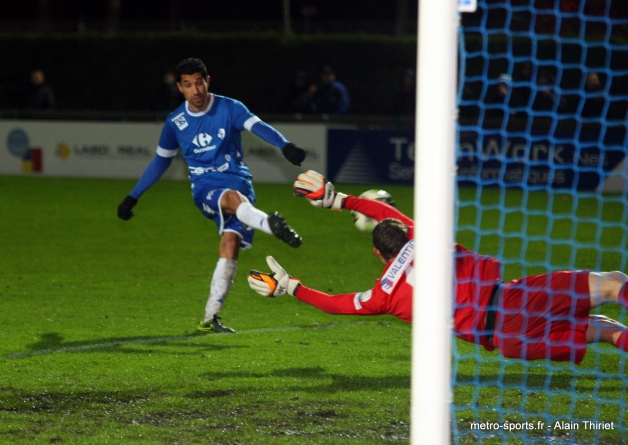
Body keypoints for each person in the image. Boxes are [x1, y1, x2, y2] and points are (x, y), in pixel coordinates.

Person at [248, 170, 628, 364]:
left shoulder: (384, 295)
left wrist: (291, 287)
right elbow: (385, 212)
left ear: (379, 257)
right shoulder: (425, 239)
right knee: (614, 284)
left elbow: (336, 303)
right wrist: (339, 200)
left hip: (508, 343)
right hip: (518, 299)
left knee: (607, 332)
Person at [117, 57, 306, 334]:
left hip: (241, 184)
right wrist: (133, 196)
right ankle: (272, 226)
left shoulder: (230, 107)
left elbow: (259, 126)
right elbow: (161, 161)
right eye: (187, 85)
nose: (195, 90)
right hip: (206, 188)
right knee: (231, 200)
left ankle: (209, 319)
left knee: (230, 245)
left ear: (207, 81)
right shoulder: (175, 123)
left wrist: (285, 145)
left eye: (198, 83)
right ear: (180, 88)